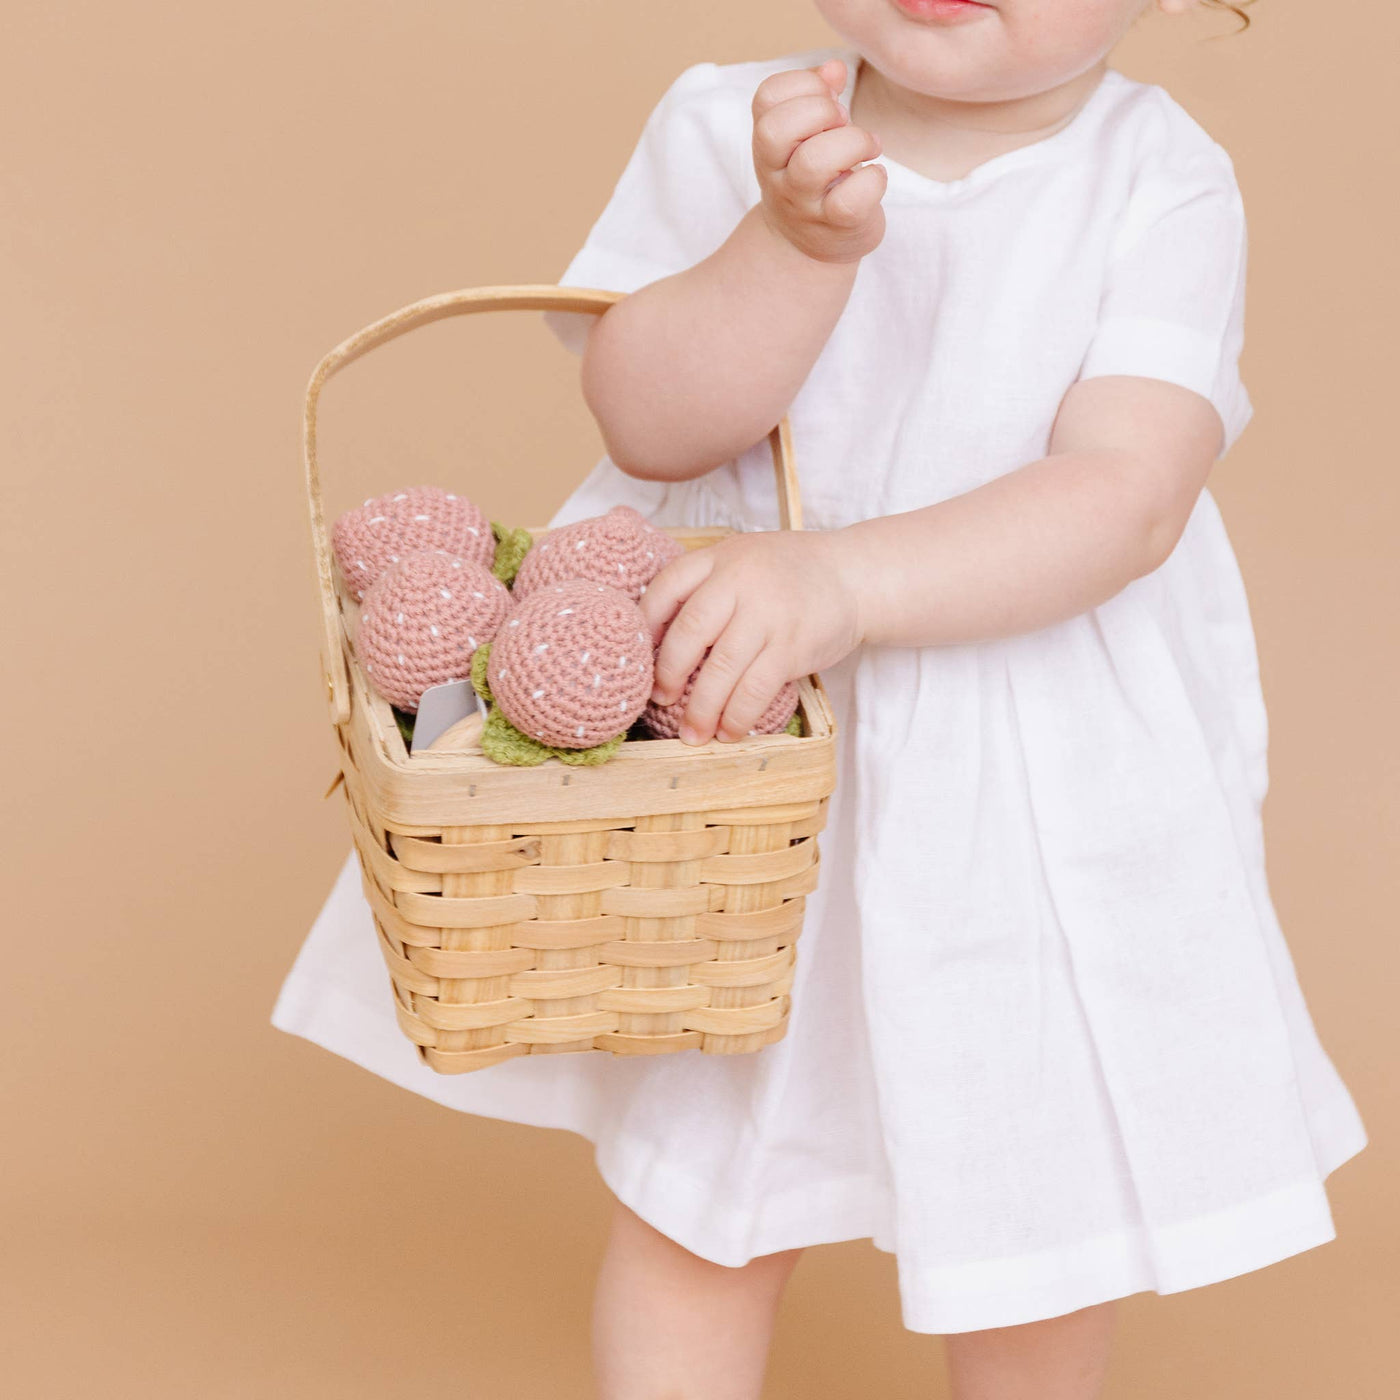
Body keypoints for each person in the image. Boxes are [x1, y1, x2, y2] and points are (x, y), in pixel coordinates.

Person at [273, 2, 1368, 1395]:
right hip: (736, 759)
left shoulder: (1158, 177)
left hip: (1024, 785)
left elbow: (1128, 494)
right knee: (702, 1205)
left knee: (1039, 1219)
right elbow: (652, 422)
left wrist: (844, 582)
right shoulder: (735, 124)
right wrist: (789, 246)